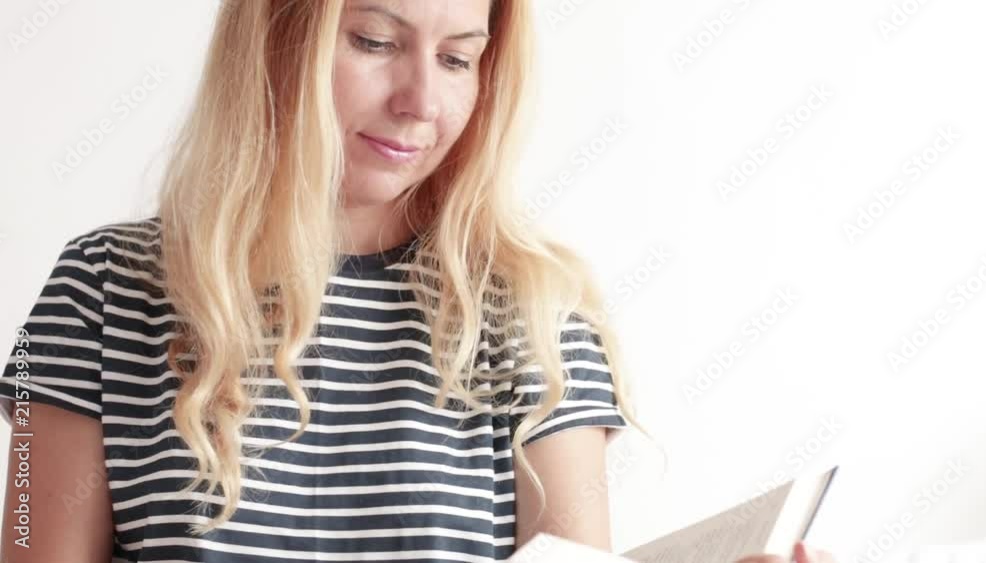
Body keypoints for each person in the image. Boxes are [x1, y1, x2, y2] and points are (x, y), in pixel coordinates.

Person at [0, 1, 834, 562]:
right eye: (374, 41)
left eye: (458, 58)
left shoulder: (539, 315)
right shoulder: (100, 289)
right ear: (276, 35)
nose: (422, 102)